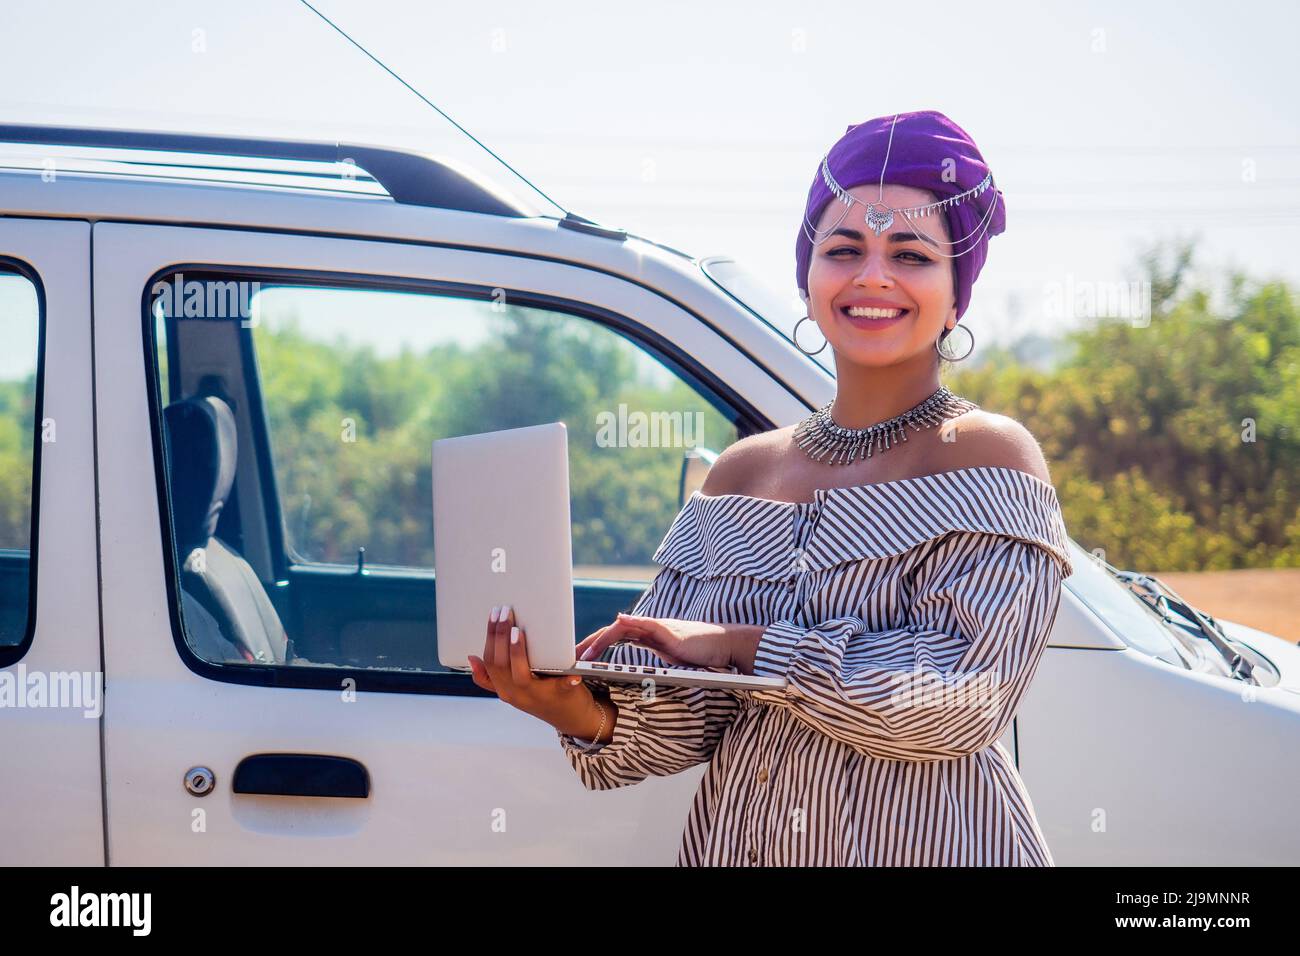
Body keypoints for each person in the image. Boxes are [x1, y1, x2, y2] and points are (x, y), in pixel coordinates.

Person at [468, 110, 1074, 866]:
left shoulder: (988, 455)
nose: (872, 275)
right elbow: (689, 722)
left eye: (911, 254)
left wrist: (744, 645)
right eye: (844, 248)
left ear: (957, 295)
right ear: (809, 278)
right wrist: (574, 707)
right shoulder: (741, 473)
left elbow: (955, 702)